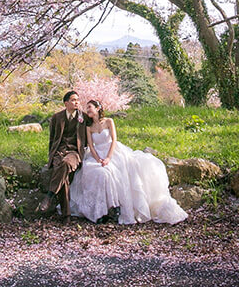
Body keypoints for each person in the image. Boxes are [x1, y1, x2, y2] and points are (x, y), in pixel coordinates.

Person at [68, 99, 188, 225]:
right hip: (96, 154)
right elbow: (91, 146)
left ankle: (115, 208)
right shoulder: (89, 127)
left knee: (114, 172)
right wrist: (98, 159)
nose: (88, 110)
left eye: (90, 107)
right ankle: (100, 211)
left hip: (112, 152)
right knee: (97, 172)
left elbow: (114, 140)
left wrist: (108, 158)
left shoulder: (109, 121)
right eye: (87, 108)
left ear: (98, 108)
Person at [40, 89, 85, 219]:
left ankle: (49, 195)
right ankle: (67, 216)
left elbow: (97, 121)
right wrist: (51, 156)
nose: (76, 102)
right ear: (66, 103)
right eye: (73, 100)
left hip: (74, 152)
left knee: (65, 164)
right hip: (59, 151)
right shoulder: (56, 117)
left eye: (77, 100)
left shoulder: (83, 117)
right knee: (63, 176)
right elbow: (52, 139)